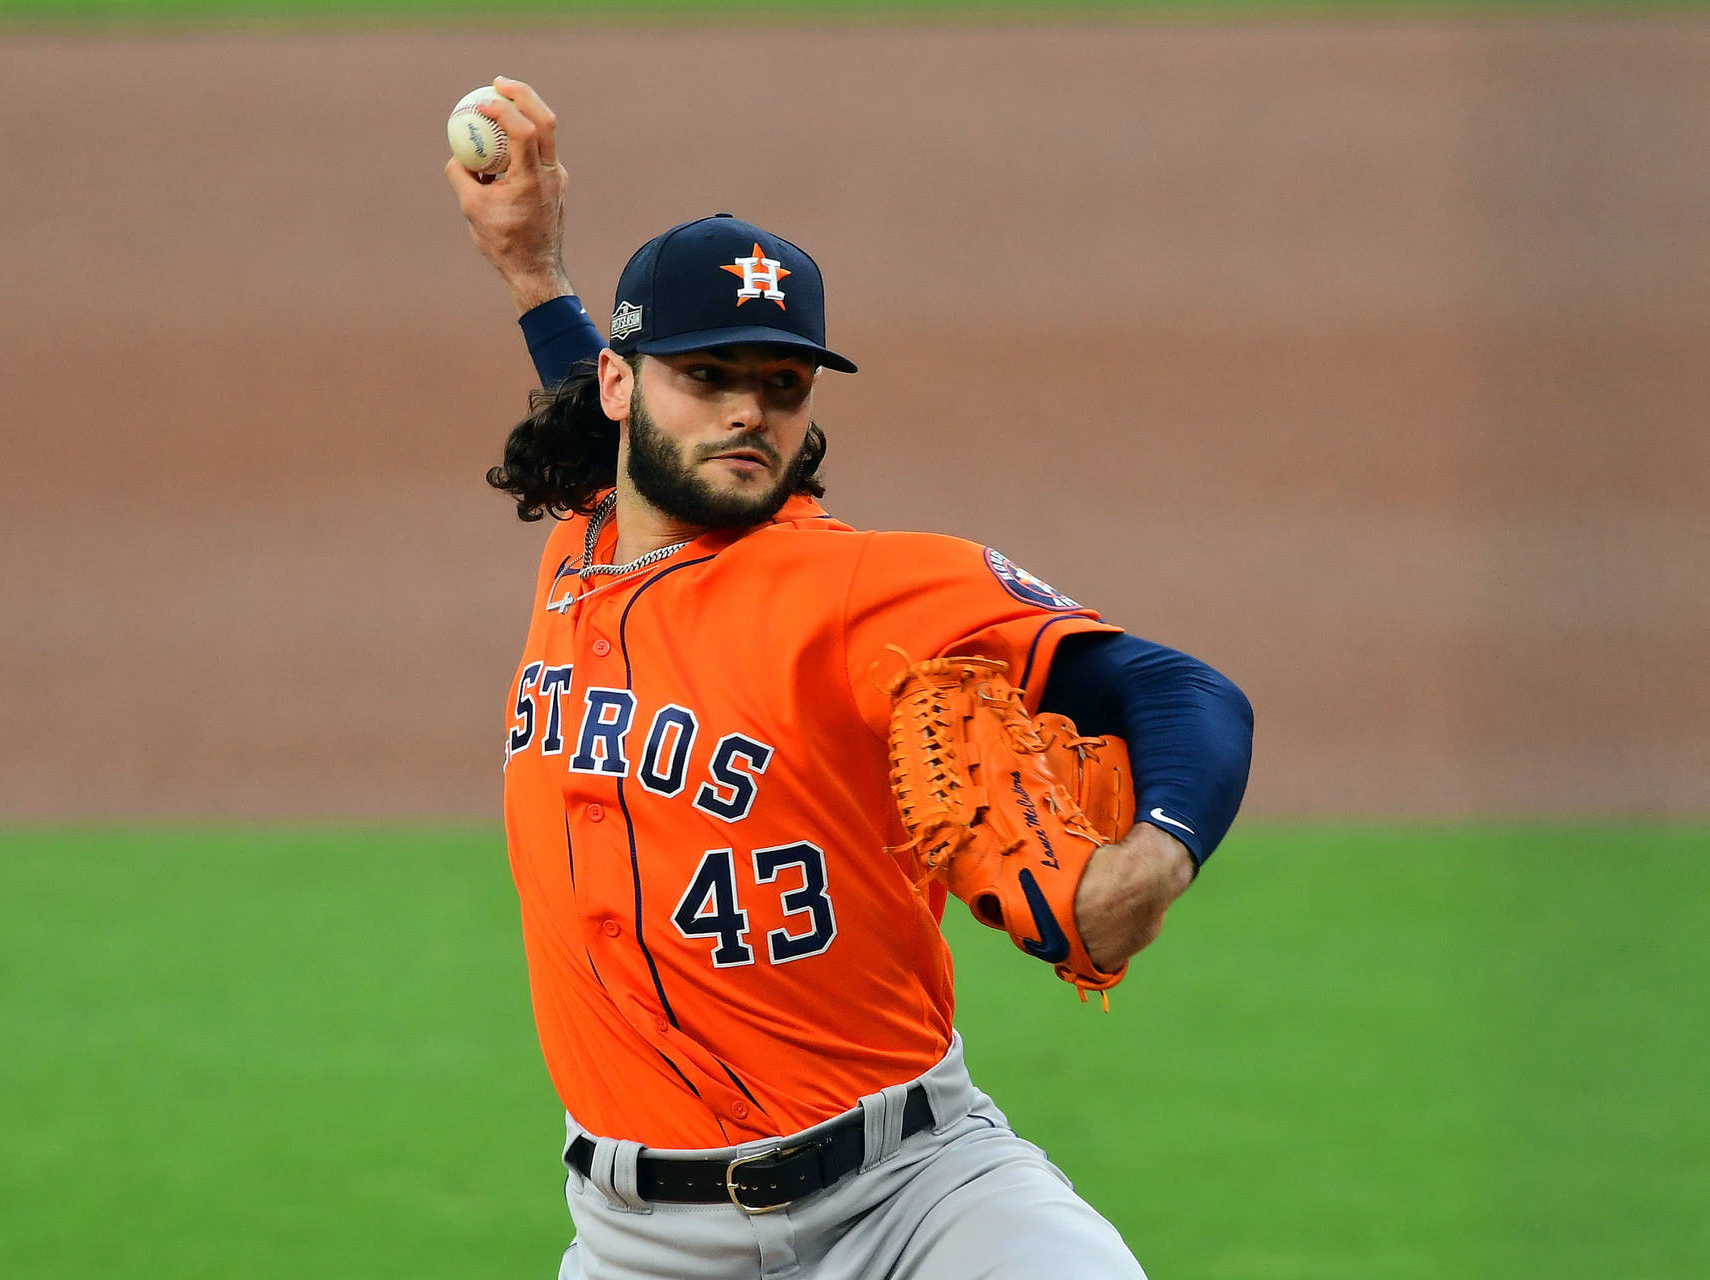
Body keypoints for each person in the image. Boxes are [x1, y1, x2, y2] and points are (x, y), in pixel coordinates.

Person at [446, 78, 1254, 1280]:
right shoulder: (586, 538)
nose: (746, 413)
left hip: (918, 1197)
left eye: (780, 384)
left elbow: (1184, 690)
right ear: (622, 390)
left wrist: (1152, 858)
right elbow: (596, 431)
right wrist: (533, 273)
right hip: (637, 1242)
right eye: (707, 374)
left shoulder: (868, 589)